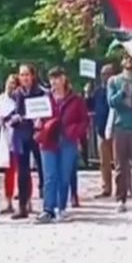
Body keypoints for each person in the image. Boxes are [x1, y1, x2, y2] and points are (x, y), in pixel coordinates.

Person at [36, 67, 90, 223]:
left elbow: (85, 121)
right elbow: (36, 117)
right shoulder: (45, 99)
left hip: (67, 140)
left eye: (57, 78)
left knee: (64, 175)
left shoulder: (76, 99)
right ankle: (48, 209)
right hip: (48, 140)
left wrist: (74, 131)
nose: (54, 82)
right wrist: (38, 122)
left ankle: (61, 208)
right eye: (52, 79)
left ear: (64, 79)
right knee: (50, 176)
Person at [3, 63, 48, 220]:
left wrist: (40, 119)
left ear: (33, 76)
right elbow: (8, 113)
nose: (24, 78)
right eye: (22, 75)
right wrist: (12, 118)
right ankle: (22, 206)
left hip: (37, 134)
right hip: (21, 135)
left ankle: (48, 205)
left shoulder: (41, 93)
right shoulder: (16, 94)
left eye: (27, 74)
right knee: (22, 172)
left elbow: (46, 112)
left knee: (43, 169)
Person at [107, 56, 132, 212]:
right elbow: (111, 101)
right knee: (120, 166)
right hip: (120, 126)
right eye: (126, 58)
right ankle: (121, 199)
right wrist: (122, 94)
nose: (129, 61)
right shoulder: (114, 81)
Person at [0, 74, 21, 215]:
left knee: (23, 170)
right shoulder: (0, 101)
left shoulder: (22, 98)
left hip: (20, 138)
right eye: (10, 83)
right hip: (7, 138)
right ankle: (8, 202)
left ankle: (26, 201)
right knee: (9, 173)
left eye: (15, 84)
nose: (12, 86)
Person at [90, 64, 115, 198]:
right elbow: (90, 105)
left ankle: (125, 187)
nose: (105, 77)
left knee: (119, 161)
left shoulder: (116, 89)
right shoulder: (98, 91)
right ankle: (106, 188)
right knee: (104, 162)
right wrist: (87, 94)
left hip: (115, 128)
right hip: (101, 129)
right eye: (103, 74)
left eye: (107, 74)